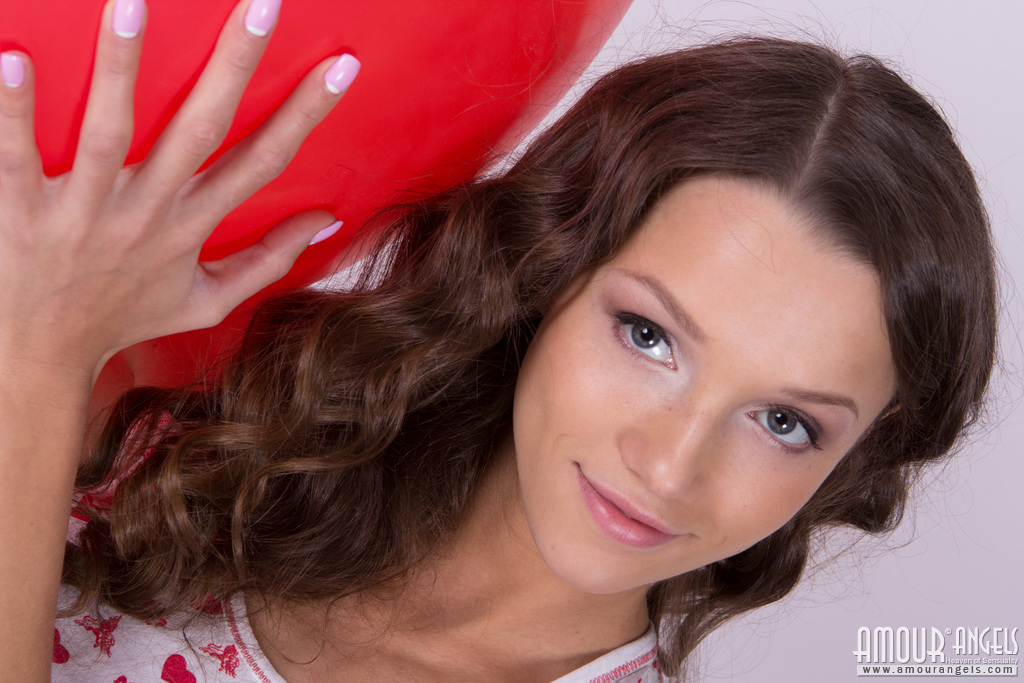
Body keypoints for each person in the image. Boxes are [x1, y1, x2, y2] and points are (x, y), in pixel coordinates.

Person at [0, 0, 996, 680]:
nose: (667, 464)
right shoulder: (207, 449)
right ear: (548, 275)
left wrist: (40, 355)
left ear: (858, 456)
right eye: (647, 335)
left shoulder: (48, 372)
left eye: (784, 421)